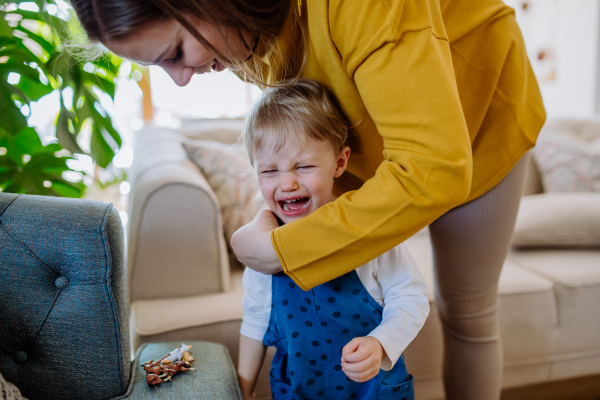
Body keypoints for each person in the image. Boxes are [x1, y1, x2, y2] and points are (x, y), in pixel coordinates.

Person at [70, 1, 546, 398]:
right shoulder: (240, 33)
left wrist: (286, 249)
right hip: (373, 144)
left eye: (175, 52)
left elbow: (433, 167)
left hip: (477, 121)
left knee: (468, 310)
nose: (180, 79)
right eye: (160, 66)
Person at [238, 79, 429, 400]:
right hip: (297, 390)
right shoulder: (262, 250)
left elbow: (411, 296)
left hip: (373, 390)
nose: (287, 183)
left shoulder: (365, 230)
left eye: (304, 166)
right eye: (269, 171)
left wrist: (381, 342)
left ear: (339, 163)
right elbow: (255, 322)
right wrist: (241, 391)